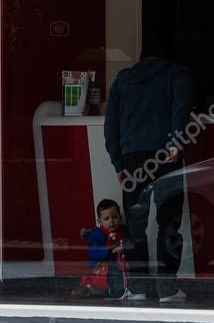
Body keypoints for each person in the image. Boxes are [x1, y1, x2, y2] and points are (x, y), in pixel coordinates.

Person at [104, 44, 193, 303]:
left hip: (132, 158)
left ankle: (139, 288)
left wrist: (118, 164)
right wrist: (176, 141)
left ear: (140, 57)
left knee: (134, 227)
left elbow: (111, 126)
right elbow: (181, 107)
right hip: (166, 155)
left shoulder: (123, 79)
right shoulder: (177, 72)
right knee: (168, 222)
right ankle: (167, 289)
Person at [71, 198, 131, 299]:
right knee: (104, 278)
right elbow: (94, 251)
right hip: (104, 265)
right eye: (106, 219)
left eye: (114, 217)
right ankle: (98, 290)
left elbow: (130, 243)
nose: (111, 221)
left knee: (122, 275)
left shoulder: (123, 231)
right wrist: (111, 250)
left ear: (120, 217)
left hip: (121, 264)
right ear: (99, 221)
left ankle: (123, 289)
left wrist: (126, 246)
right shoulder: (97, 234)